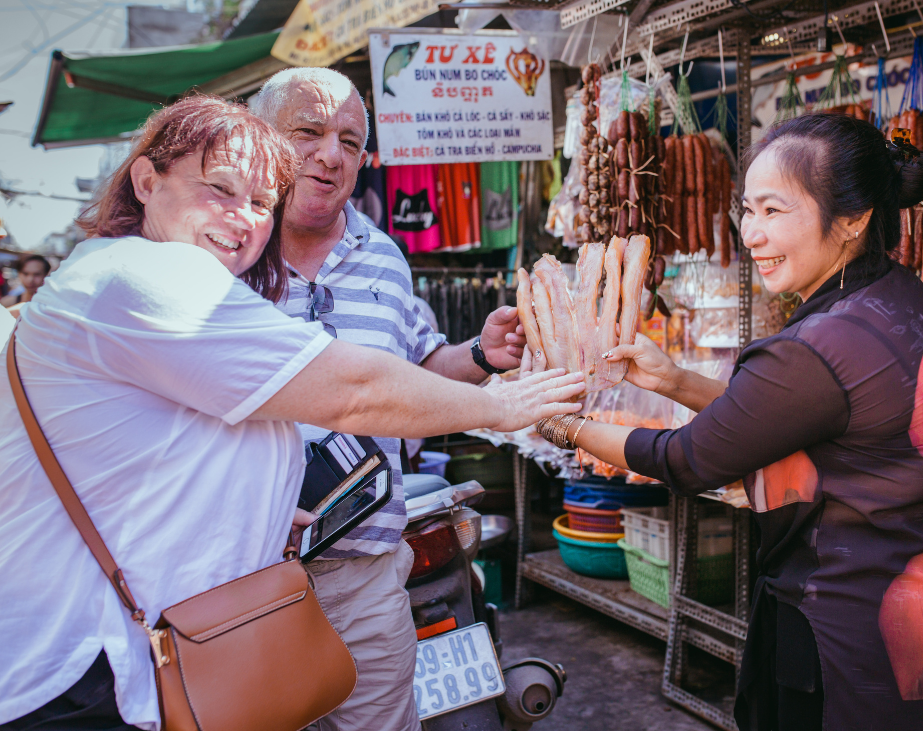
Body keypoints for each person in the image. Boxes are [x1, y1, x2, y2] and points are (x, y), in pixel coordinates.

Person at [0, 95, 584, 731]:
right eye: (220, 188)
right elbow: (353, 388)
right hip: (91, 667)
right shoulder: (148, 277)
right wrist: (497, 408)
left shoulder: (369, 256)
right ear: (147, 180)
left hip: (208, 617)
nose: (243, 217)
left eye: (259, 201)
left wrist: (252, 498)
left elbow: (148, 448)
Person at [535, 114, 923, 730]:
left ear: (853, 219)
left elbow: (686, 459)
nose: (751, 235)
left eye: (774, 211)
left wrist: (557, 423)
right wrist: (674, 381)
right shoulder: (898, 295)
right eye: (749, 210)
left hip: (845, 639)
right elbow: (787, 424)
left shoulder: (819, 344)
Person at [250, 68, 531, 731]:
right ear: (257, 139)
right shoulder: (224, 250)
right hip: (247, 575)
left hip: (367, 569)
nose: (331, 156)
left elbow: (418, 365)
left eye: (349, 141)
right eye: (307, 133)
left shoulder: (382, 253)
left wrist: (482, 354)